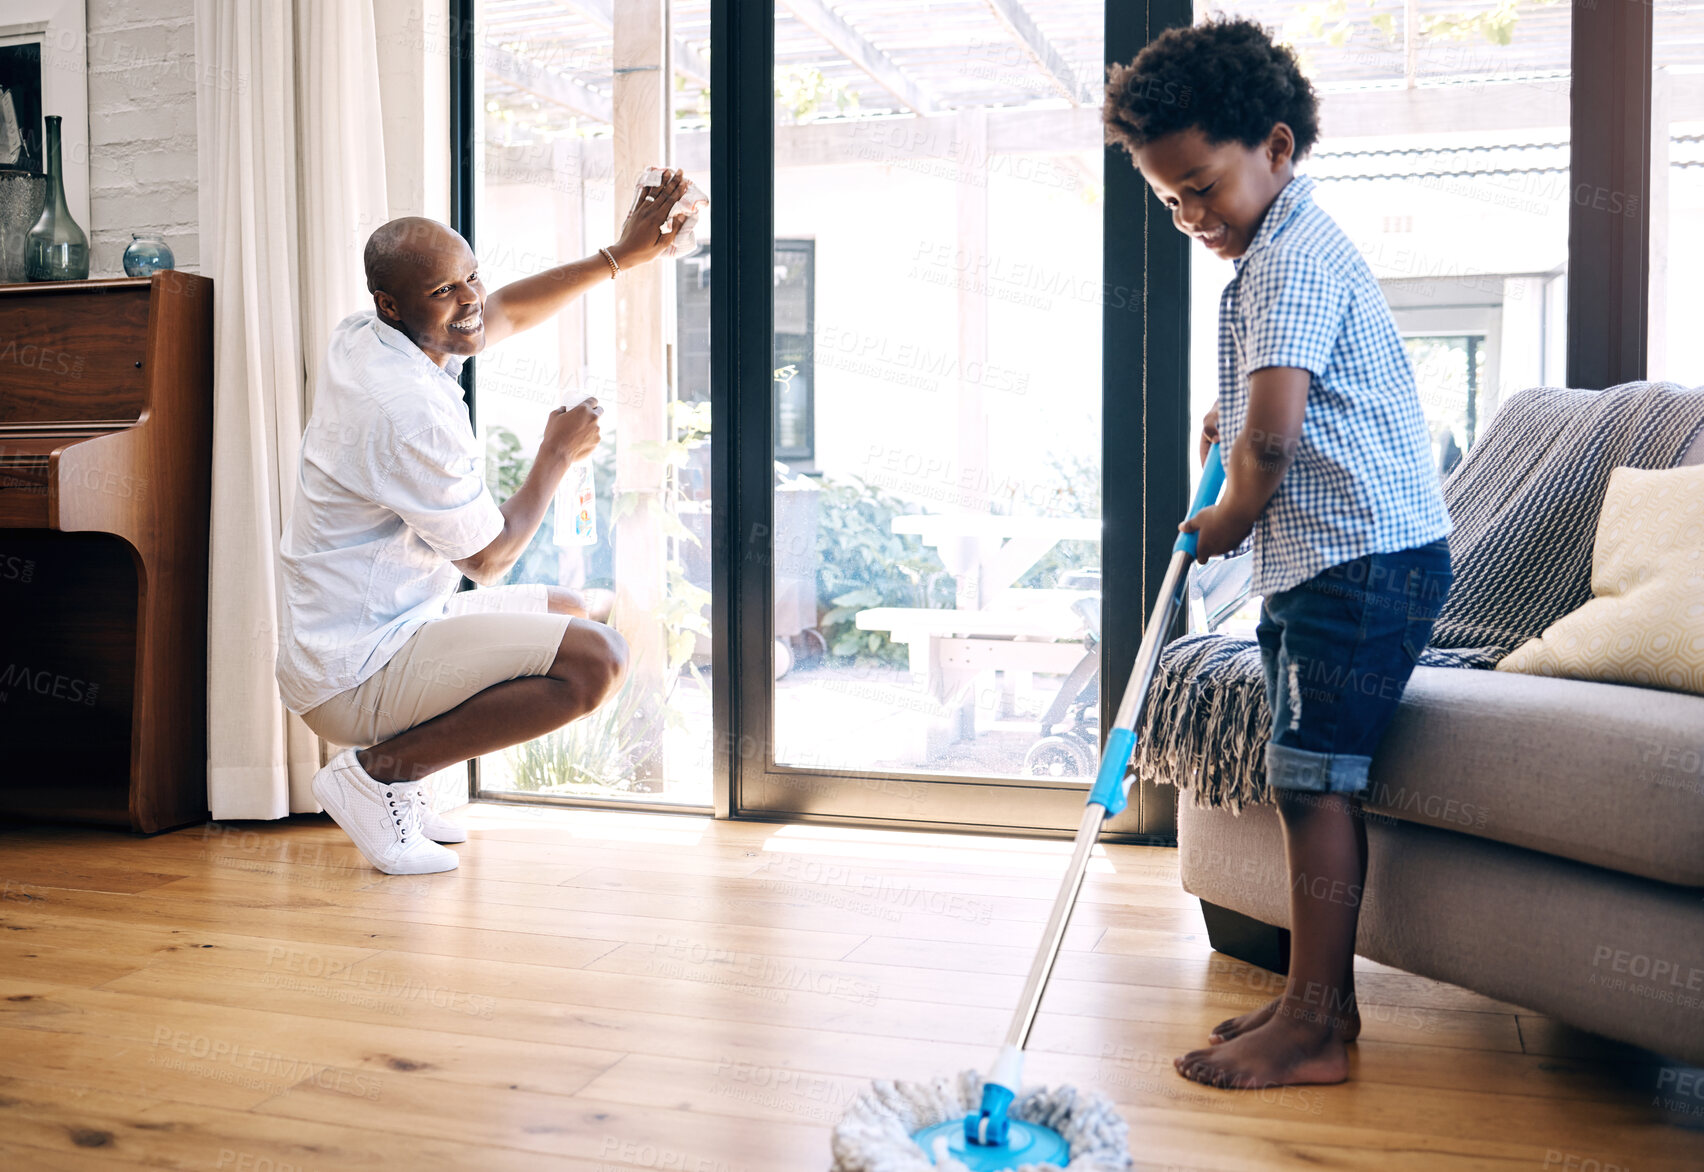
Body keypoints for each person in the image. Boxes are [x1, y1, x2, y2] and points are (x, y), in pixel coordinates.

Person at [1104, 20, 1454, 1087]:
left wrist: (1226, 518)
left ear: (1278, 146)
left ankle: (1319, 1021)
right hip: (1329, 564)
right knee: (1301, 776)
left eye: (1203, 186)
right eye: (1171, 200)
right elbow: (1261, 407)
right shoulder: (1280, 250)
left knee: (1314, 785)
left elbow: (1274, 438)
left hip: (1361, 564)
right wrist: (1233, 429)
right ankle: (1313, 1000)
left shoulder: (1291, 256)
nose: (1191, 215)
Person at [276, 171, 695, 876]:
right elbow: (491, 560)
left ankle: (401, 779)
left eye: (470, 276)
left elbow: (502, 312)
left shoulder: (366, 338)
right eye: (444, 291)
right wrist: (555, 455)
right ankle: (378, 775)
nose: (469, 300)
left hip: (382, 629)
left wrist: (622, 256)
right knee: (598, 661)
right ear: (391, 303)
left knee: (567, 609)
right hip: (354, 671)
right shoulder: (403, 408)